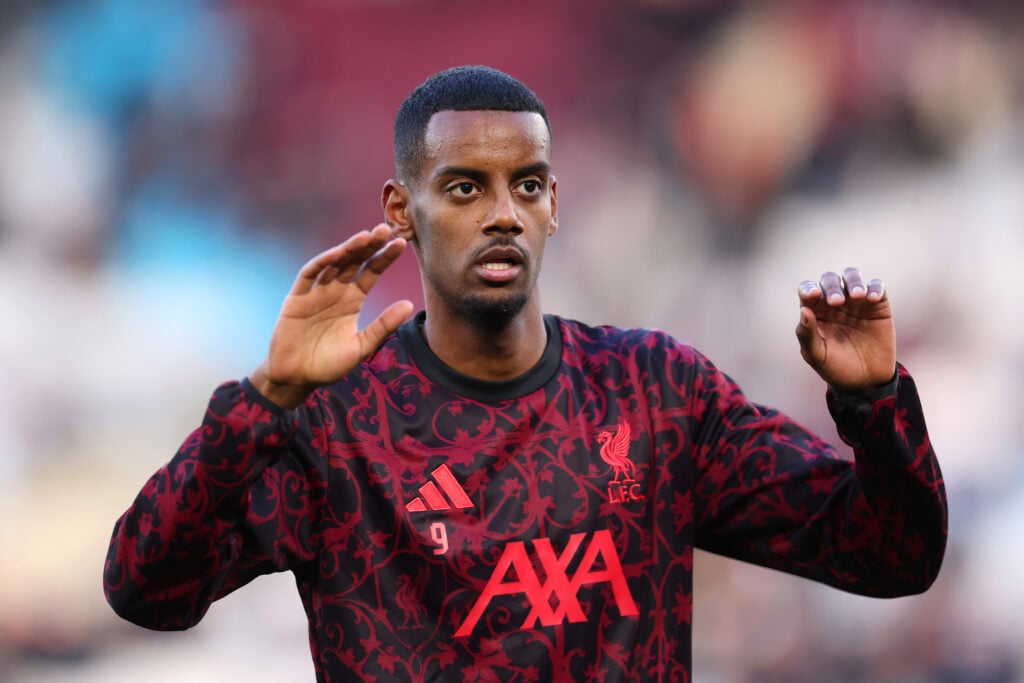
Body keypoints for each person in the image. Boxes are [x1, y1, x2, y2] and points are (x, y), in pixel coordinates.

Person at [103, 65, 948, 682]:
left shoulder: (656, 390)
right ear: (403, 209)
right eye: (465, 187)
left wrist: (872, 403)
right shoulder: (334, 424)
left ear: (554, 204)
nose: (502, 213)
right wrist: (263, 400)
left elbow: (891, 555)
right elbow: (146, 587)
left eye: (526, 185)